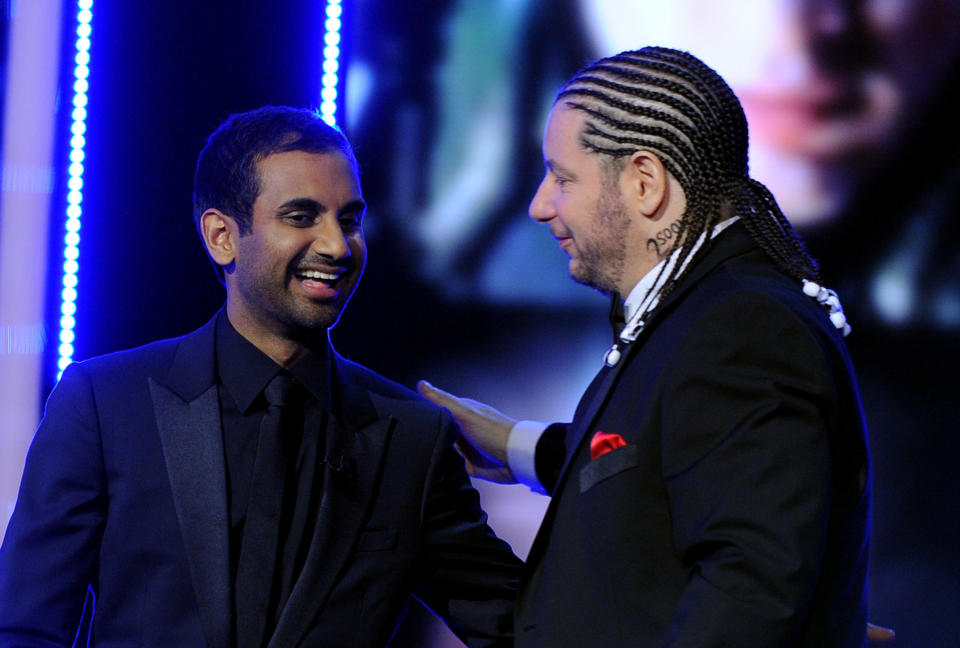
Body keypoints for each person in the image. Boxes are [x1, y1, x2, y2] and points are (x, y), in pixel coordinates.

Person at [0, 106, 521, 647]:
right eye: (301, 217)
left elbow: (523, 624)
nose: (337, 246)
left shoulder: (410, 438)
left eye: (349, 219)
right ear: (222, 236)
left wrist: (547, 455)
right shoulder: (106, 405)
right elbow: (23, 626)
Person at [420, 47, 874, 646]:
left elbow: (748, 592)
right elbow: (669, 464)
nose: (540, 205)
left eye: (562, 177)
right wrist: (517, 447)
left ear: (644, 183)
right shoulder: (709, 317)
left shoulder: (743, 329)